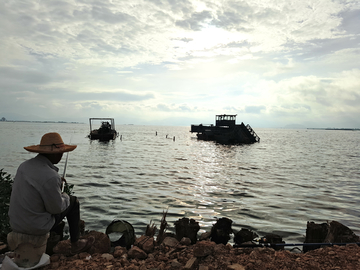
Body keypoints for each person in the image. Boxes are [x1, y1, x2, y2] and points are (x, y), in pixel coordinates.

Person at [8, 132, 93, 254]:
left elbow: (38, 188)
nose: (62, 155)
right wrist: (64, 196)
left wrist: (56, 184)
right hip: (36, 227)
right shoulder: (51, 176)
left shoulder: (24, 166)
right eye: (61, 152)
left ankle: (55, 241)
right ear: (55, 154)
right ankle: (76, 244)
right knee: (73, 202)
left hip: (16, 224)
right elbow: (56, 209)